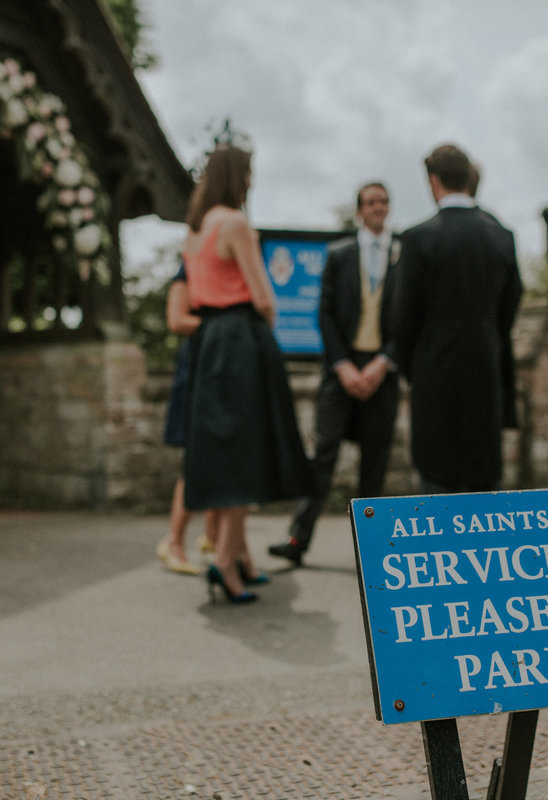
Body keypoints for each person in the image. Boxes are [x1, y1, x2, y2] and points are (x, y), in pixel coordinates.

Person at [181, 142, 313, 604]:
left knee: (225, 452)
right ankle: (224, 563)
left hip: (207, 342)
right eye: (249, 172)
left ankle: (240, 557)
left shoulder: (194, 232)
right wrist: (266, 326)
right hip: (240, 339)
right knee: (244, 454)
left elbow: (196, 293)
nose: (252, 180)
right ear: (236, 176)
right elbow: (263, 297)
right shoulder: (235, 224)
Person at [268, 183, 401, 566]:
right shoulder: (339, 254)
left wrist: (383, 363)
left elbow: (408, 316)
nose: (378, 208)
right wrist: (343, 366)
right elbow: (324, 313)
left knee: (374, 464)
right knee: (323, 455)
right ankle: (297, 538)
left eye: (383, 202)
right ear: (359, 210)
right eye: (371, 202)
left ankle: (371, 552)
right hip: (340, 370)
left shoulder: (402, 255)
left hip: (382, 371)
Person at [393, 143, 523, 493]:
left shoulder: (417, 239)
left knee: (437, 486)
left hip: (435, 378)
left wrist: (414, 367)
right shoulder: (501, 236)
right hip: (486, 373)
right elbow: (510, 307)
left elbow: (403, 318)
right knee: (484, 490)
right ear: (468, 178)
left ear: (433, 181)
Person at [155, 261, 219, 575]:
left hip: (223, 365)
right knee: (194, 460)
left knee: (224, 456)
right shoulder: (188, 269)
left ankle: (213, 537)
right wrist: (223, 326)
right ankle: (174, 541)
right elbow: (176, 319)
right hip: (197, 368)